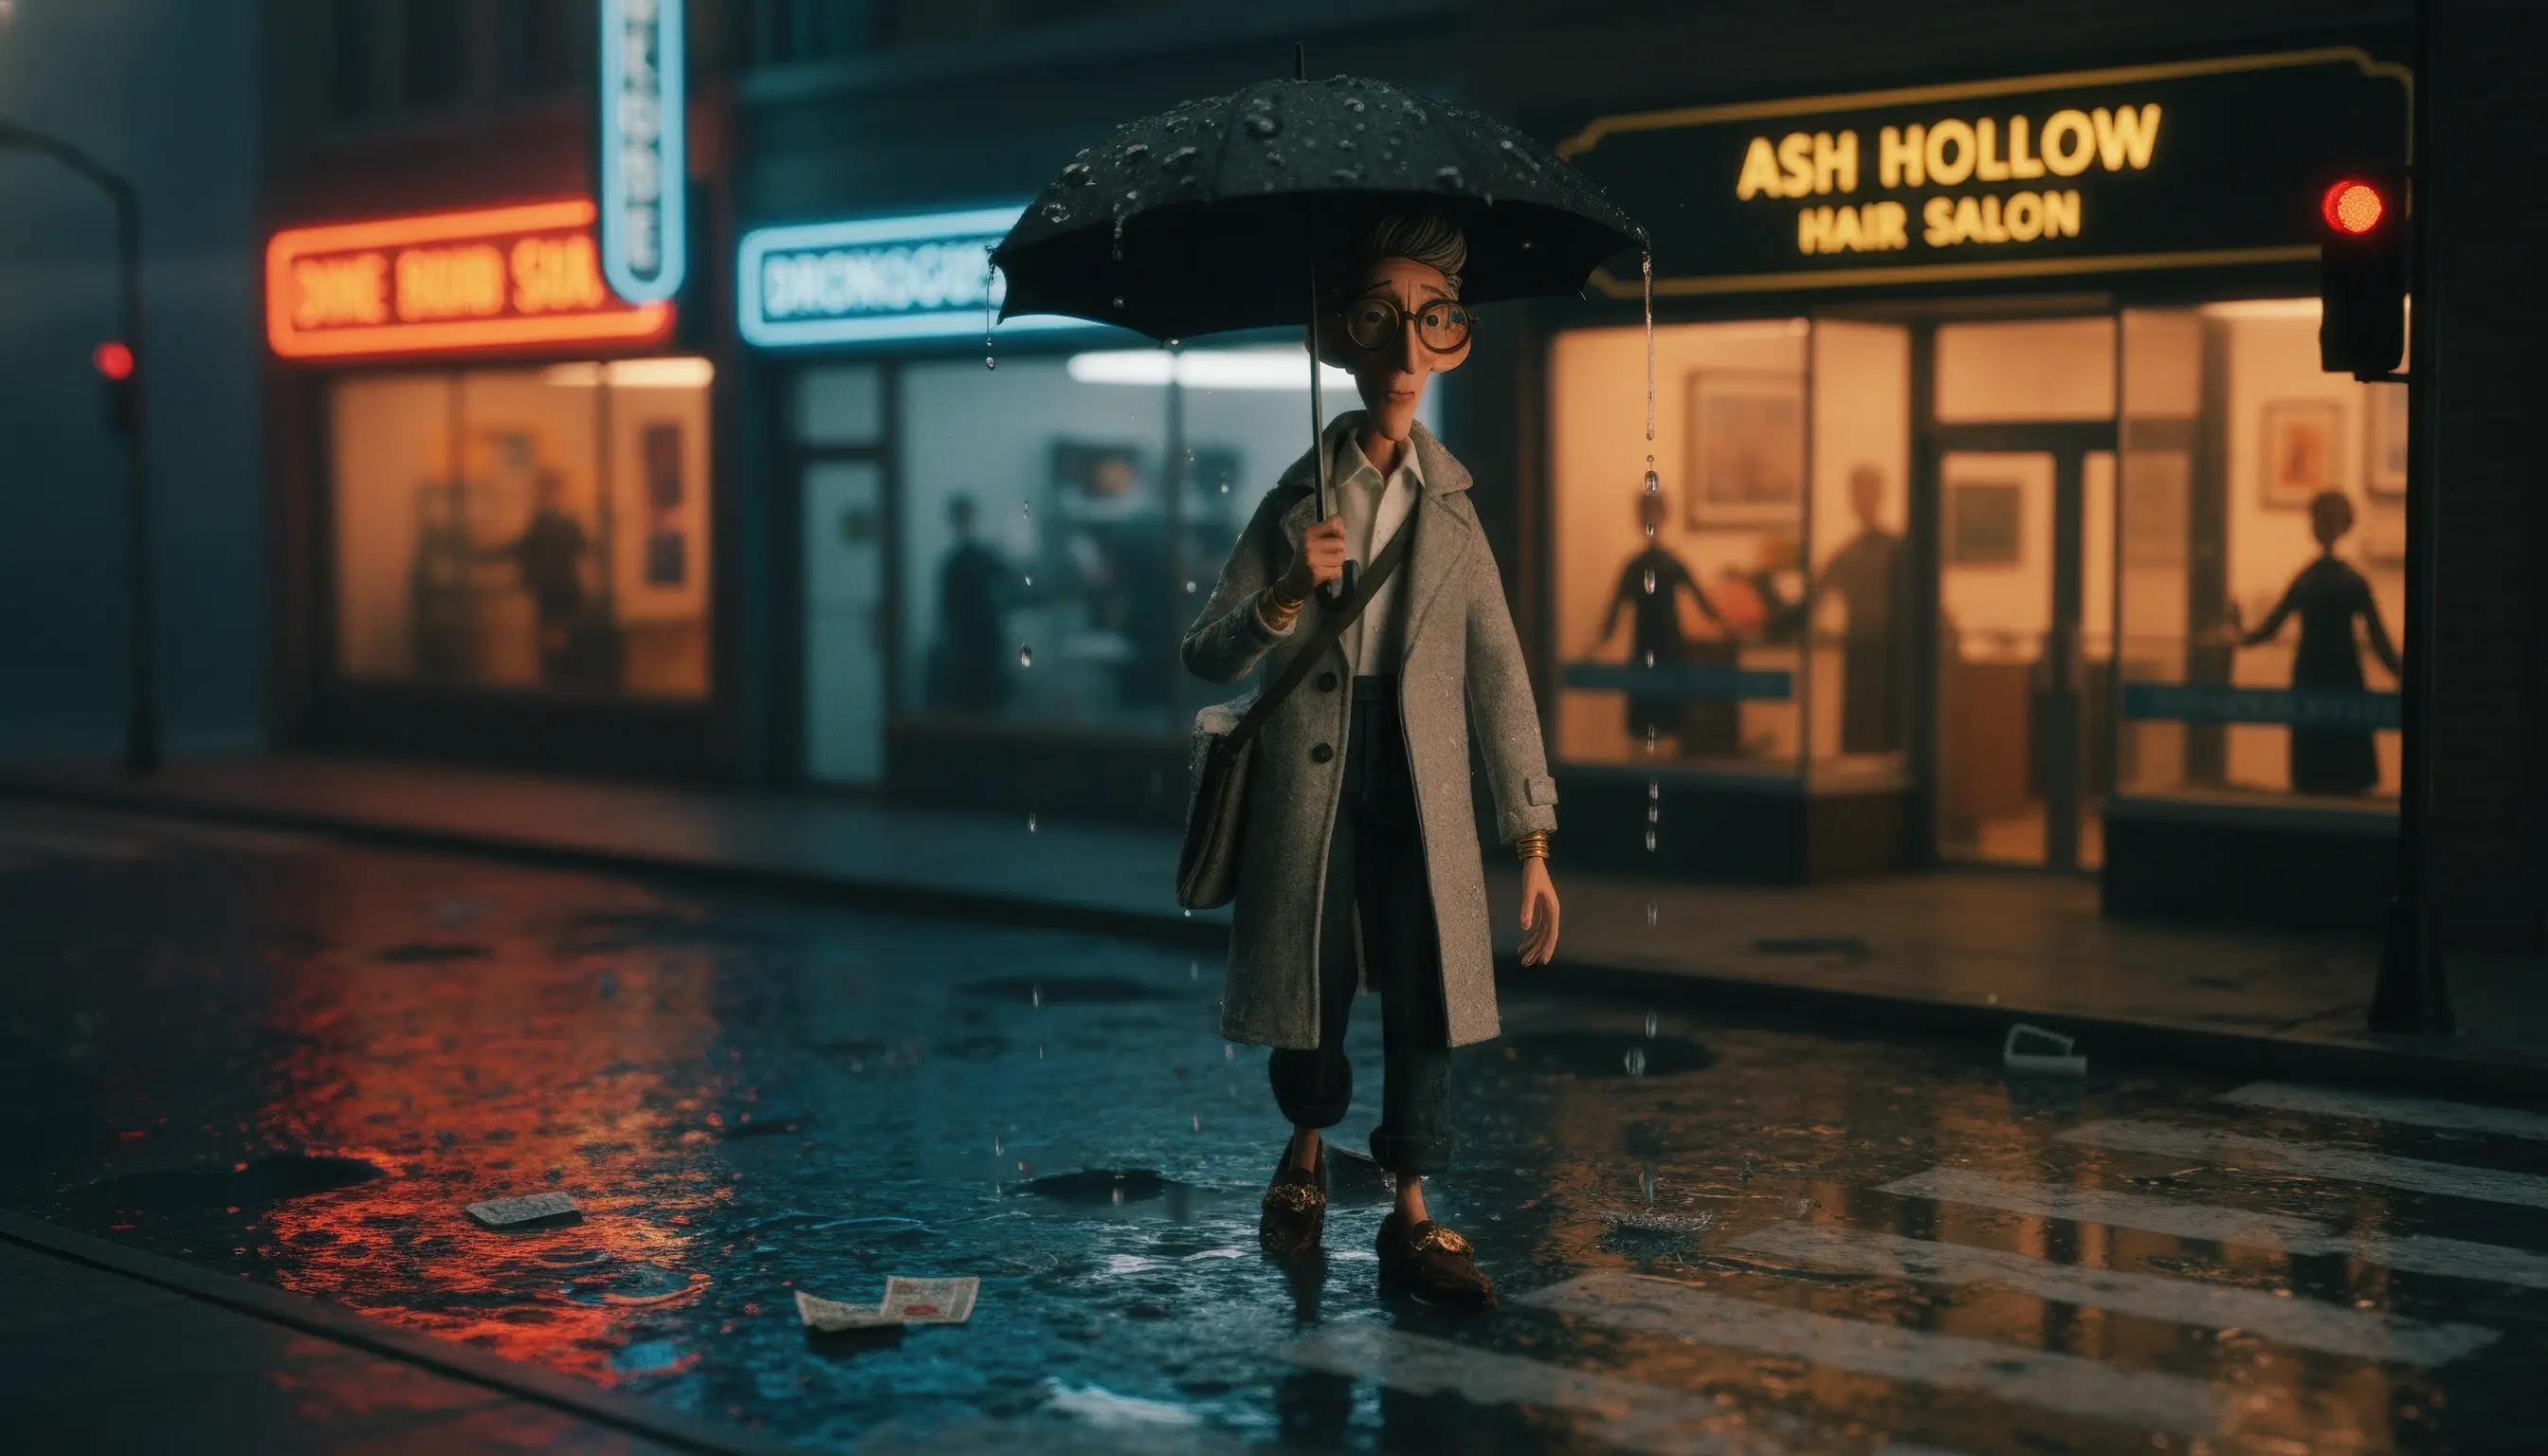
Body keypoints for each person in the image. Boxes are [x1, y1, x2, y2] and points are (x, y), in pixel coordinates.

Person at [1182, 211, 1558, 1308]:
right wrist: (1285, 593)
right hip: (1314, 777)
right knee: (1316, 974)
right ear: (1334, 340)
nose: (1404, 357)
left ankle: (1413, 1213)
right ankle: (1304, 1149)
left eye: (1431, 324)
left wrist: (1529, 835)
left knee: (1430, 985)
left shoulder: (1453, 510)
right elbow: (1207, 652)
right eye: (1379, 324)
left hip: (1421, 776)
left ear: (1455, 341)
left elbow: (1500, 674)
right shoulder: (1294, 503)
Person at [2233, 489, 2400, 795]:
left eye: (2326, 521)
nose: (2322, 527)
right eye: (2320, 520)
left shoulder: (2312, 580)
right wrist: (2399, 671)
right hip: (2337, 673)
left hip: (2319, 672)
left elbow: (2269, 627)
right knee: (2339, 763)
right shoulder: (2345, 580)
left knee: (2320, 763)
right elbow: (2378, 639)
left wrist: (2240, 638)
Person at [1768, 464, 1908, 755]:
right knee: (1864, 735)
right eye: (1857, 492)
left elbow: (1920, 597)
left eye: (1866, 491)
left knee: (1887, 735)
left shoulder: (1894, 550)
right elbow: (1813, 598)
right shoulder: (1850, 553)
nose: (1861, 500)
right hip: (1861, 649)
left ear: (1880, 495)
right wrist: (1773, 629)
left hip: (1892, 652)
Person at [1590, 491, 1735, 756]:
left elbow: (1706, 607)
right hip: (1651, 652)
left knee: (1667, 730)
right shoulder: (1641, 566)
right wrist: (1592, 652)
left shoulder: (1655, 565)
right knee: (1648, 731)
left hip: (1666, 652)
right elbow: (1611, 618)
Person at [485, 469, 591, 687]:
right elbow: (523, 547)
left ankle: (559, 682)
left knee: (556, 645)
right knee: (558, 645)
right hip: (559, 590)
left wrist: (489, 554)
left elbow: (522, 547)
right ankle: (561, 682)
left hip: (558, 590)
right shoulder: (558, 523)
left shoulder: (551, 523)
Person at [930, 495, 1012, 714]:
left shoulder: (986, 557)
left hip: (987, 641)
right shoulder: (955, 563)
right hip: (967, 645)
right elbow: (947, 611)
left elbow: (1011, 591)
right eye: (961, 517)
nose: (965, 522)